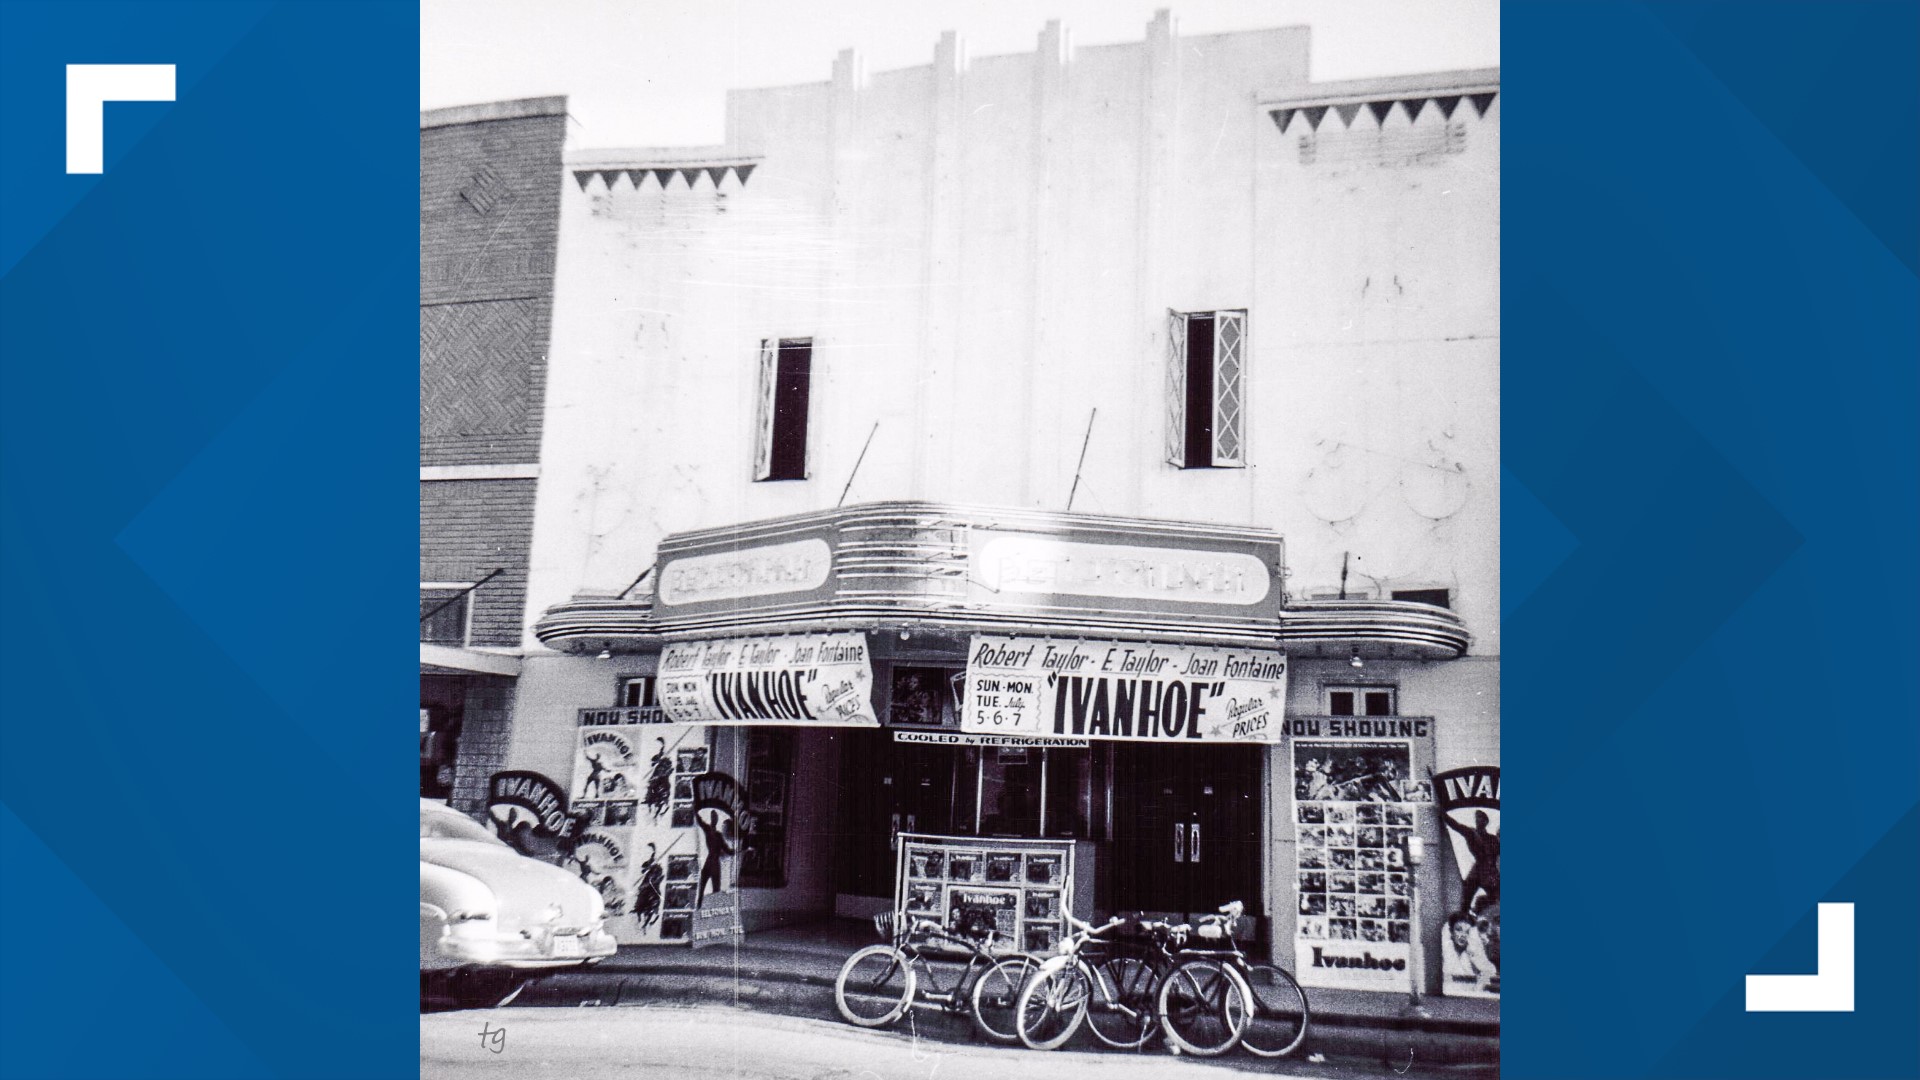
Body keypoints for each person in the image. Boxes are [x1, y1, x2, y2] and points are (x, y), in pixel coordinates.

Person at [1441, 810, 1500, 910]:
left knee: (1497, 899)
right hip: (1480, 872)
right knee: (1466, 900)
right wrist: (1444, 815)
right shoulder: (1471, 833)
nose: (1478, 821)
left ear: (1486, 822)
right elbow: (1456, 825)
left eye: (1480, 818)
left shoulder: (1493, 839)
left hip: (1490, 873)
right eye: (1477, 818)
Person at [1442, 911, 1494, 992]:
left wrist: (1477, 989)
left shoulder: (1470, 952)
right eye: (1459, 930)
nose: (1463, 935)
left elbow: (1490, 970)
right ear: (1451, 932)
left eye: (1467, 932)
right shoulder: (1446, 950)